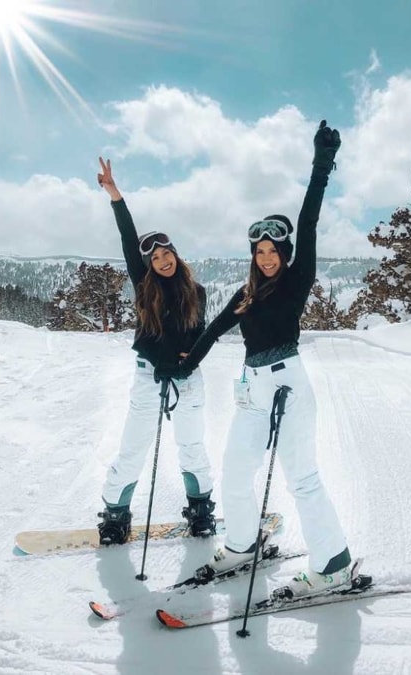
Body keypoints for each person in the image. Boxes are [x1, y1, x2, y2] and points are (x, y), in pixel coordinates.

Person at [174, 120, 351, 599]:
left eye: (273, 250)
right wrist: (185, 363)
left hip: (288, 384)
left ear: (285, 252)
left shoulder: (295, 281)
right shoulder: (248, 292)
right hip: (252, 388)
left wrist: (321, 166)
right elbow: (214, 330)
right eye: (259, 251)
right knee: (235, 469)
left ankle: (334, 564)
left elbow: (309, 220)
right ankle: (242, 544)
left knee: (302, 477)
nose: (267, 257)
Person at [94, 157, 216, 545]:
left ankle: (200, 509)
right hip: (148, 374)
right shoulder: (143, 284)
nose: (162, 262)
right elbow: (129, 239)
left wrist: (186, 361)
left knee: (192, 446)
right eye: (155, 258)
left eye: (167, 255)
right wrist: (115, 195)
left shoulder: (195, 292)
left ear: (175, 256)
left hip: (187, 378)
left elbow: (199, 335)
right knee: (133, 447)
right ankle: (115, 514)